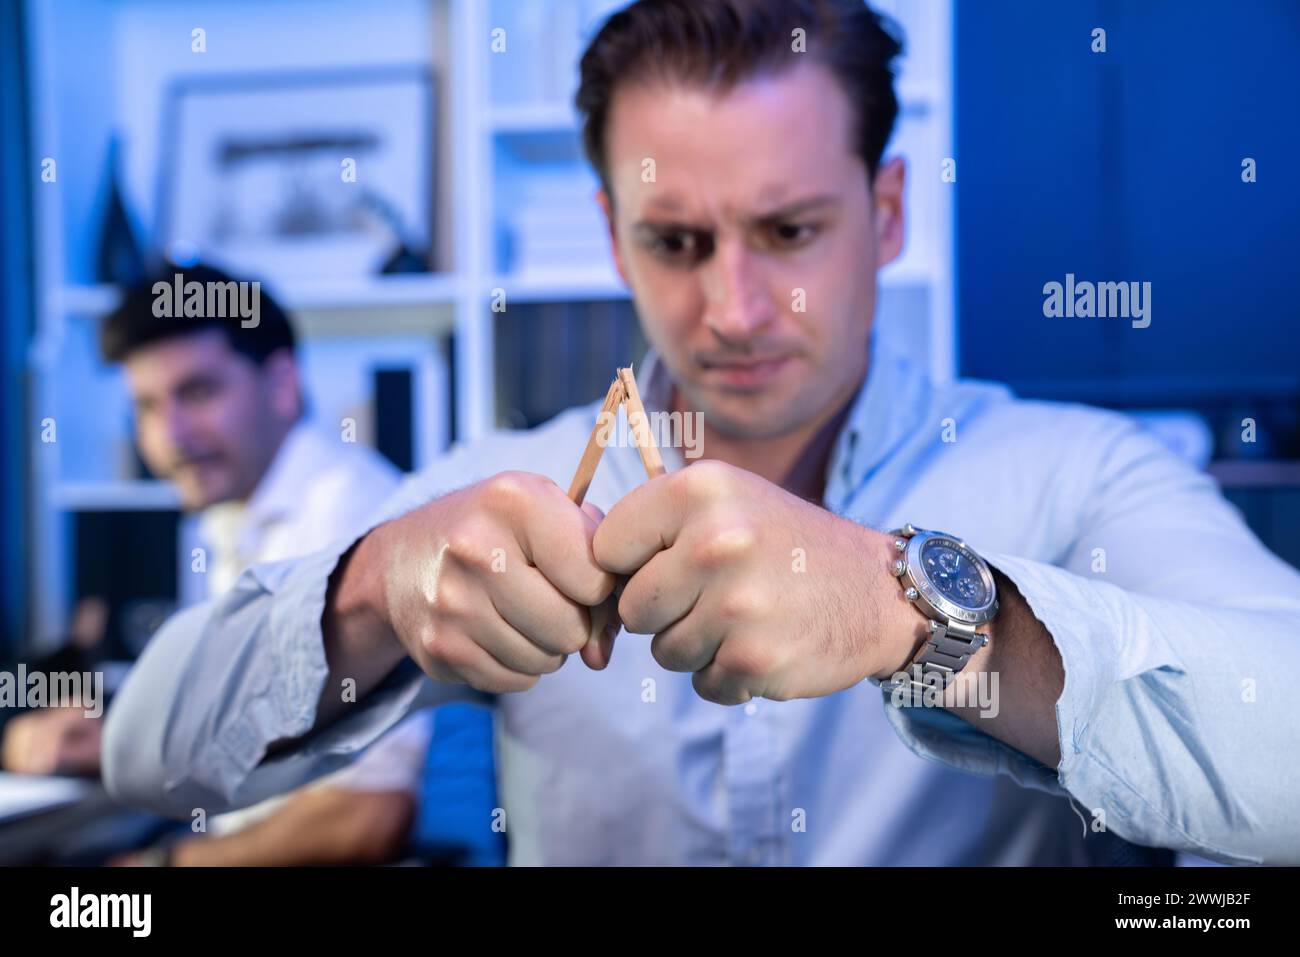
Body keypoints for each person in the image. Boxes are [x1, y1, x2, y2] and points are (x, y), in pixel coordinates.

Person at [104, 0, 1300, 865]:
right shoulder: (499, 489)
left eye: (788, 232)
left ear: (884, 216)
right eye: (674, 242)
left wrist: (908, 615)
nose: (731, 310)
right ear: (614, 236)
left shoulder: (1076, 473)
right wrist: (371, 591)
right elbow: (146, 752)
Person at [9, 263, 435, 866]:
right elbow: (264, 724)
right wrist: (109, 743)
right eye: (147, 407)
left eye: (199, 393)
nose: (169, 436)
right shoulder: (239, 514)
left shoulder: (348, 519)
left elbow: (368, 814)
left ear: (282, 383)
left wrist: (163, 869)